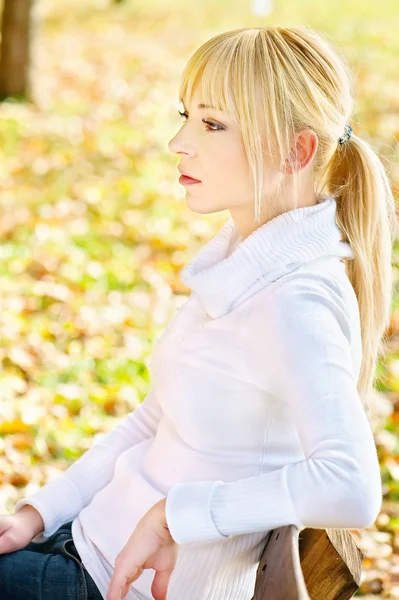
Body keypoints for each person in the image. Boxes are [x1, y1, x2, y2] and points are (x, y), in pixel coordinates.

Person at [0, 24, 397, 600]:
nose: (179, 143)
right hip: (82, 545)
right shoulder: (245, 263)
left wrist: (174, 515)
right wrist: (39, 513)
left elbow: (352, 485)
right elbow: (149, 423)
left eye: (212, 125)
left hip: (115, 584)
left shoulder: (295, 299)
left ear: (296, 150)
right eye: (185, 116)